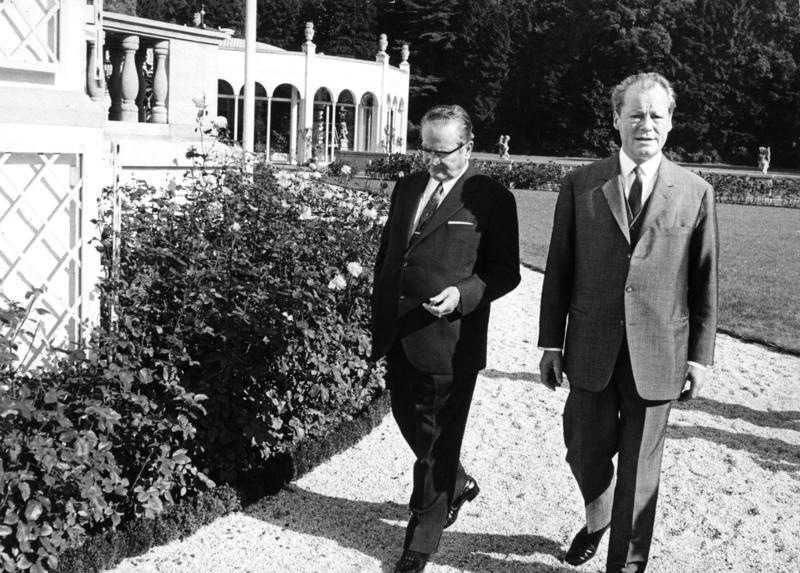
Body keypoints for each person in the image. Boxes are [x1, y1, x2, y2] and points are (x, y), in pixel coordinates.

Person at [538, 72, 718, 573]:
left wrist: (700, 356)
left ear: (671, 123)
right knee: (582, 453)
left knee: (641, 478)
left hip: (659, 353)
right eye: (635, 113)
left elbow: (705, 282)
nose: (646, 124)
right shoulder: (581, 183)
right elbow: (559, 268)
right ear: (616, 118)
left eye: (656, 115)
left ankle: (626, 566)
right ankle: (600, 518)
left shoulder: (696, 191)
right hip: (590, 348)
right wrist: (551, 343)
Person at [372, 104, 520, 573]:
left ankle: (422, 538)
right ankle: (456, 482)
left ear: (468, 146)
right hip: (399, 332)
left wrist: (463, 294)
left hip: (450, 339)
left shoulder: (493, 198)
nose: (433, 161)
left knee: (438, 442)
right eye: (426, 150)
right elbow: (390, 256)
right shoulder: (409, 186)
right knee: (407, 419)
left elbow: (505, 272)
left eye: (443, 152)